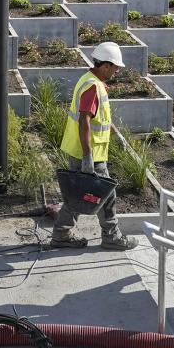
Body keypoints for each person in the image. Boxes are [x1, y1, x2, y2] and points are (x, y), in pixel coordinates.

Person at [50, 42, 136, 251]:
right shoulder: (93, 87)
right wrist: (88, 156)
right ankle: (111, 237)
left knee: (76, 195)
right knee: (106, 197)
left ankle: (61, 234)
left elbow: (99, 117)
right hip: (89, 153)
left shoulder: (89, 80)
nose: (116, 72)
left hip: (81, 150)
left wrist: (116, 134)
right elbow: (84, 121)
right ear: (105, 65)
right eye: (115, 67)